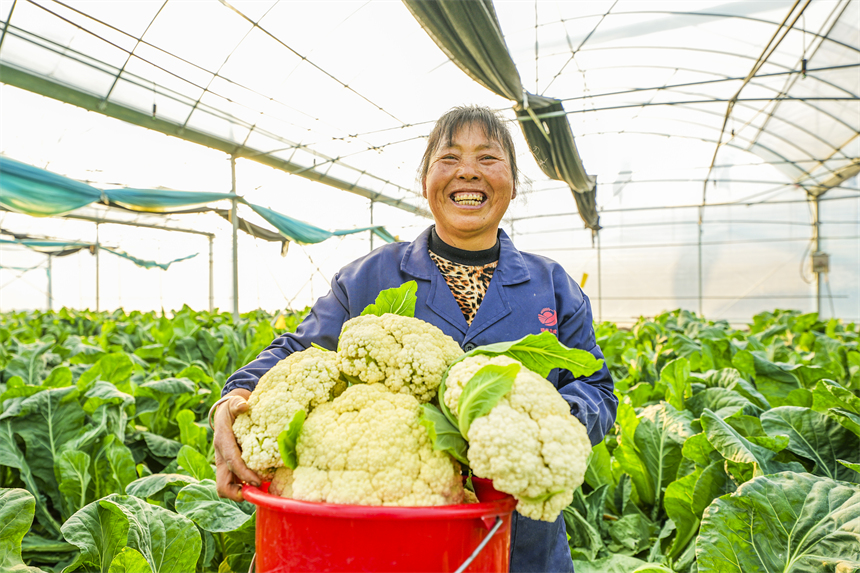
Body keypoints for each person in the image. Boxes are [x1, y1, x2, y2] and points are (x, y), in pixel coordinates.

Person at [213, 105, 617, 572]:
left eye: (488, 158)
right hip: (383, 546)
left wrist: (537, 427)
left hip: (521, 547)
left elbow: (598, 389)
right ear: (425, 179)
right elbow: (297, 353)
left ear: (512, 180)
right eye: (449, 158)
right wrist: (232, 400)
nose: (468, 171)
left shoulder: (553, 284)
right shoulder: (369, 277)